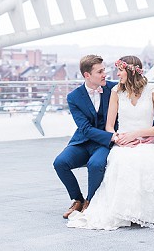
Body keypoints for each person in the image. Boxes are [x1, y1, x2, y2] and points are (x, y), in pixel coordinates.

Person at [68, 55, 154, 230]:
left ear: (131, 71)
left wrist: (138, 134)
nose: (116, 74)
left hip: (145, 142)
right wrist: (119, 139)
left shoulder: (153, 90)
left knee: (151, 163)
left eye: (120, 70)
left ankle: (141, 212)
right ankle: (122, 210)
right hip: (123, 142)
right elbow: (109, 126)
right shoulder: (116, 92)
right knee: (120, 161)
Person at [52, 55, 118, 219]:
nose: (105, 74)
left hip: (103, 145)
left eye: (104, 70)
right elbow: (85, 129)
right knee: (60, 163)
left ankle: (90, 201)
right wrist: (111, 137)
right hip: (84, 141)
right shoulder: (74, 97)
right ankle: (77, 199)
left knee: (95, 164)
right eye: (100, 71)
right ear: (87, 75)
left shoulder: (115, 89)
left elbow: (134, 108)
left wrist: (151, 127)